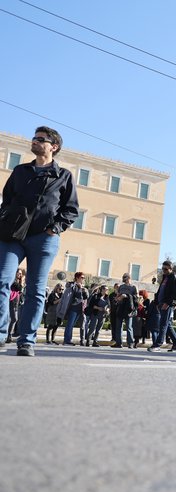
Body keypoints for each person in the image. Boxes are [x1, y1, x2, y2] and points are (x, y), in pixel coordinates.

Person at [0, 126, 79, 356]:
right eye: (34, 138)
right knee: (2, 281)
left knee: (35, 289)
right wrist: (6, 218)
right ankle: (1, 332)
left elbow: (71, 209)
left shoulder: (63, 176)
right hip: (12, 236)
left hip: (43, 238)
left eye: (40, 139)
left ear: (53, 146)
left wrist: (54, 228)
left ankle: (26, 340)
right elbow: (7, 199)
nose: (34, 141)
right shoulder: (21, 170)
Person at [148, 261, 176, 352]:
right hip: (161, 304)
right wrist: (157, 302)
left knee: (163, 324)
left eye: (165, 269)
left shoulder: (174, 278)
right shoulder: (165, 277)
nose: (164, 271)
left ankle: (158, 344)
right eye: (162, 269)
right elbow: (160, 290)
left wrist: (168, 303)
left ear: (171, 269)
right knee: (168, 324)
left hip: (167, 304)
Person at [62, 272, 89, 345]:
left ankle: (68, 340)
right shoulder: (72, 284)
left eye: (83, 278)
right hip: (73, 307)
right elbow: (70, 289)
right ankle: (67, 340)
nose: (83, 279)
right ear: (77, 278)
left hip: (80, 307)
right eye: (82, 277)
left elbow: (86, 297)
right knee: (70, 324)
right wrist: (78, 286)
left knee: (72, 324)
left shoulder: (83, 287)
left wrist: (82, 289)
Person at [112, 273, 138, 348]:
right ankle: (118, 343)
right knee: (118, 326)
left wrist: (126, 296)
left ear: (129, 278)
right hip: (120, 307)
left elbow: (136, 298)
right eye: (123, 277)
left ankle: (130, 343)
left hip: (129, 308)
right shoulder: (121, 287)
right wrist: (117, 298)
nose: (123, 278)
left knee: (129, 327)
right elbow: (118, 295)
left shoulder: (133, 287)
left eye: (125, 277)